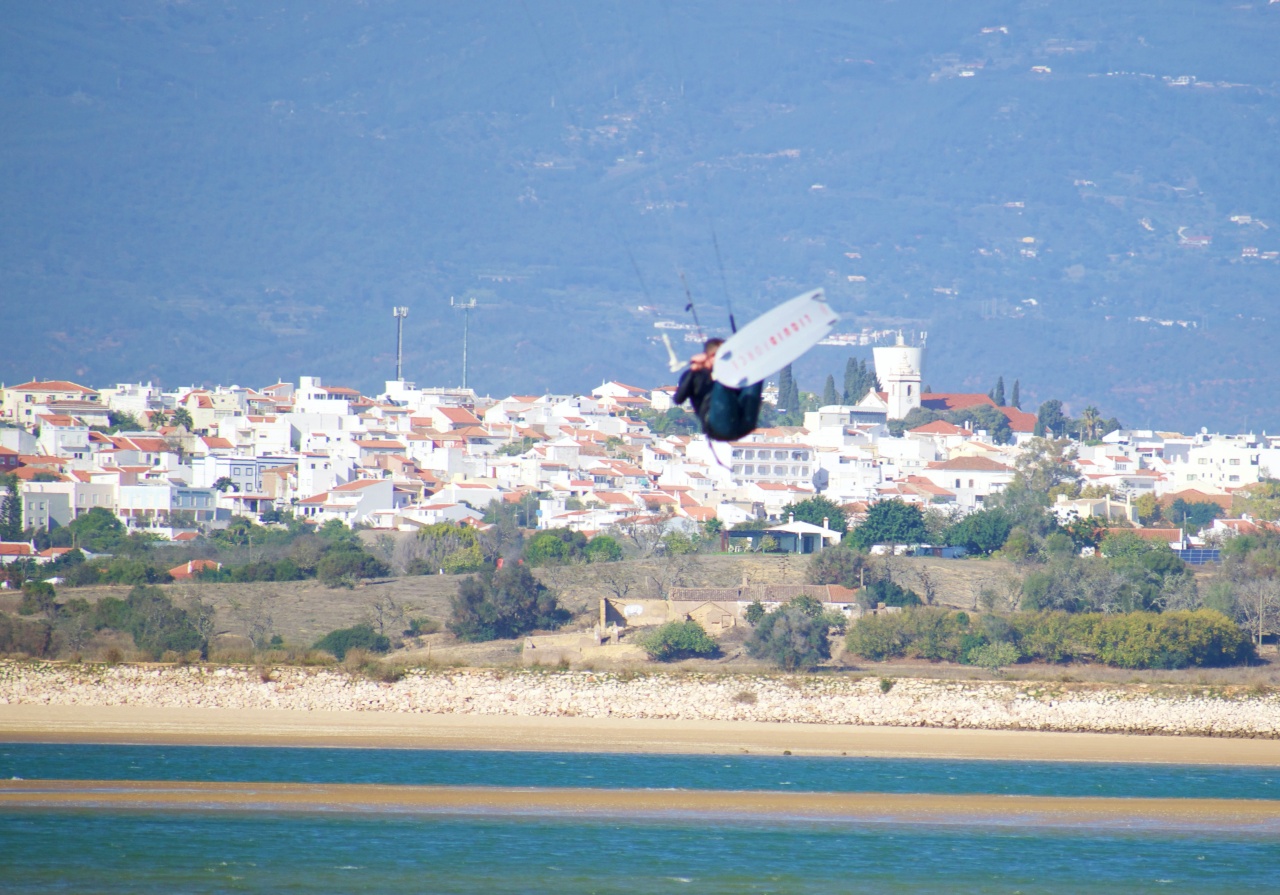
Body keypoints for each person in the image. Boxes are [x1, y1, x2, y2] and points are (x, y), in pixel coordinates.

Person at [673, 338, 764, 441]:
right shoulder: (695, 375)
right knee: (722, 382)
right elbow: (678, 399)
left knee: (755, 375)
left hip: (742, 424)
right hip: (717, 426)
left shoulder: (730, 373)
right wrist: (693, 371)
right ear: (711, 356)